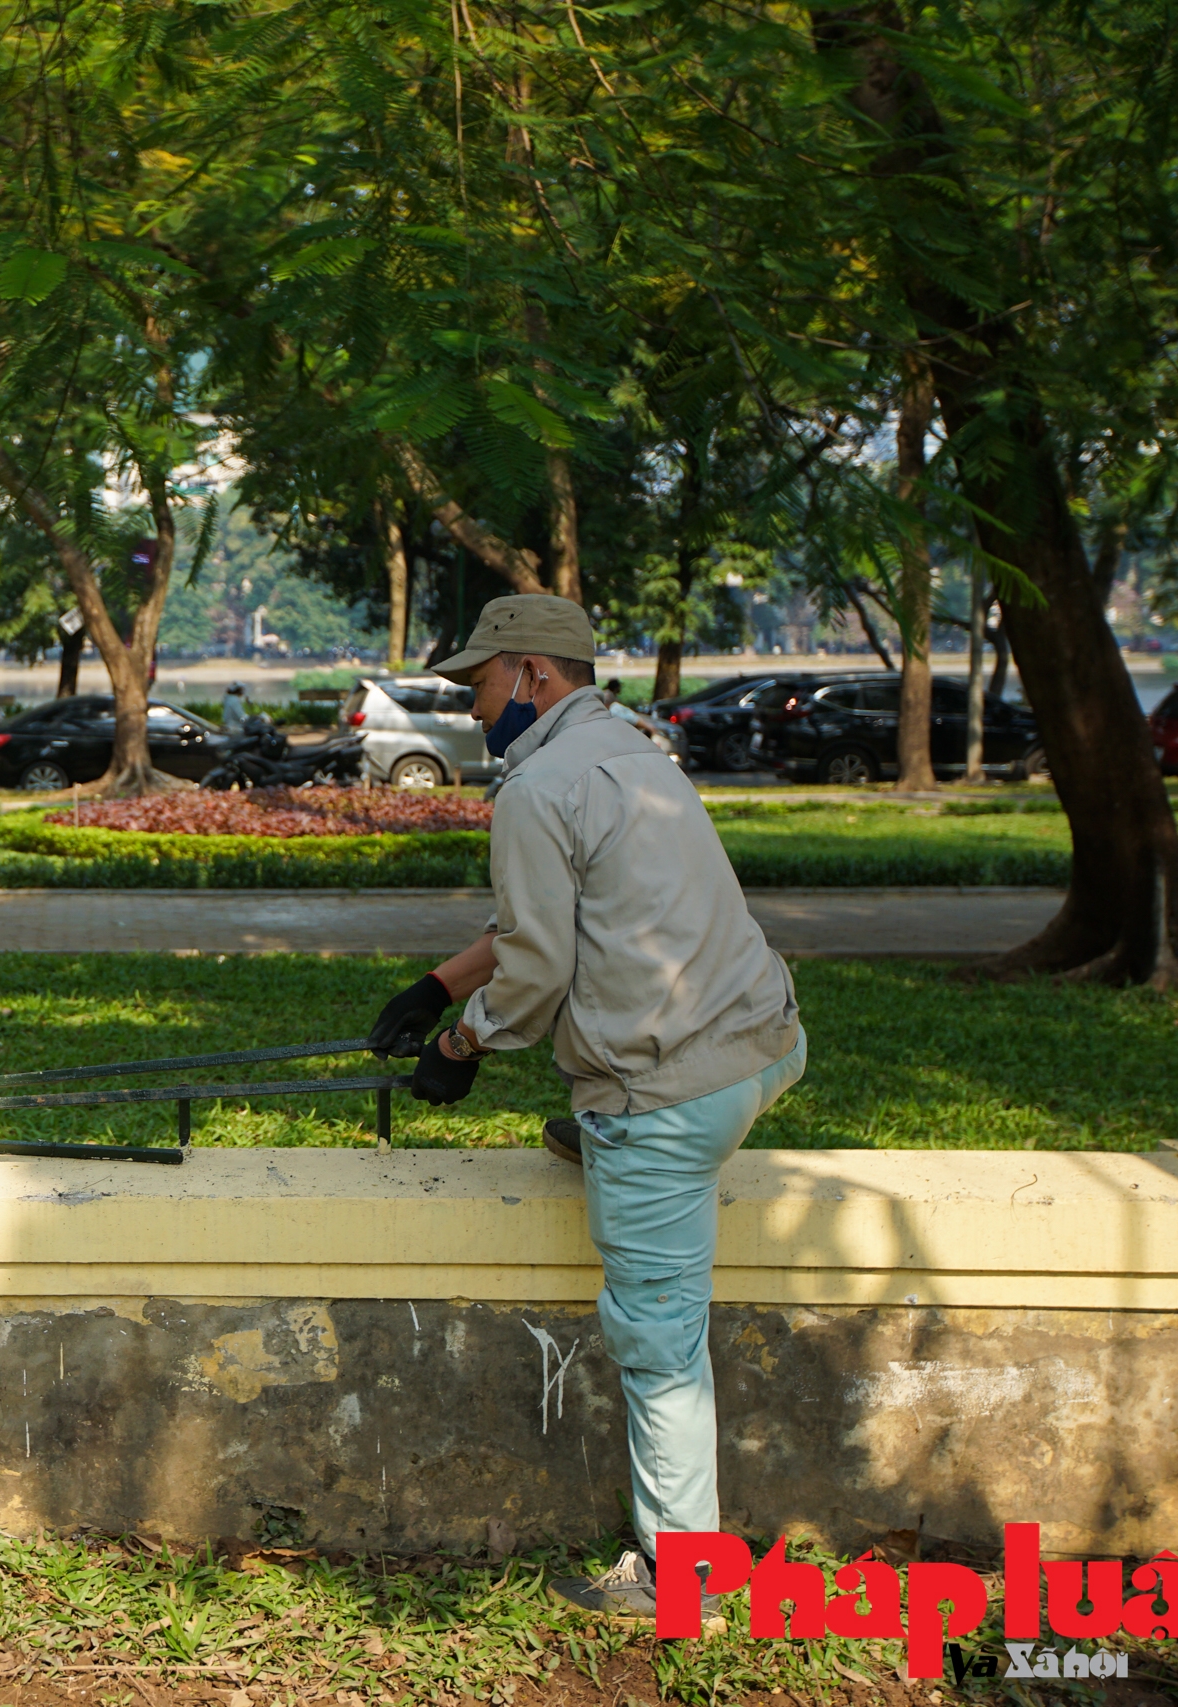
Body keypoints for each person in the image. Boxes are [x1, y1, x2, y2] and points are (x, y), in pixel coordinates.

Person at [362, 593, 805, 1628]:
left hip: (667, 1099)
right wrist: (436, 983)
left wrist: (459, 1045)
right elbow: (554, 916)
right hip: (763, 1046)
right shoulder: (633, 752)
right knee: (633, 1153)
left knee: (658, 1340)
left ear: (533, 673)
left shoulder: (534, 787)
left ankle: (682, 1576)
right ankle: (613, 1142)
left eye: (480, 684)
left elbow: (537, 970)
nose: (472, 707)